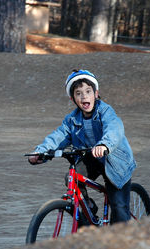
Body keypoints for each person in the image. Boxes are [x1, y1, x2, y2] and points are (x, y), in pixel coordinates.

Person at [28, 69, 136, 223]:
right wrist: (40, 152)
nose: (84, 96)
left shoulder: (105, 111)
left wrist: (104, 145)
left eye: (88, 91)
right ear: (73, 99)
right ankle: (88, 209)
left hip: (115, 162)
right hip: (92, 159)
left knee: (118, 207)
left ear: (96, 94)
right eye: (78, 93)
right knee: (72, 178)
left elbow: (114, 129)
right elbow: (58, 137)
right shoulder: (71, 119)